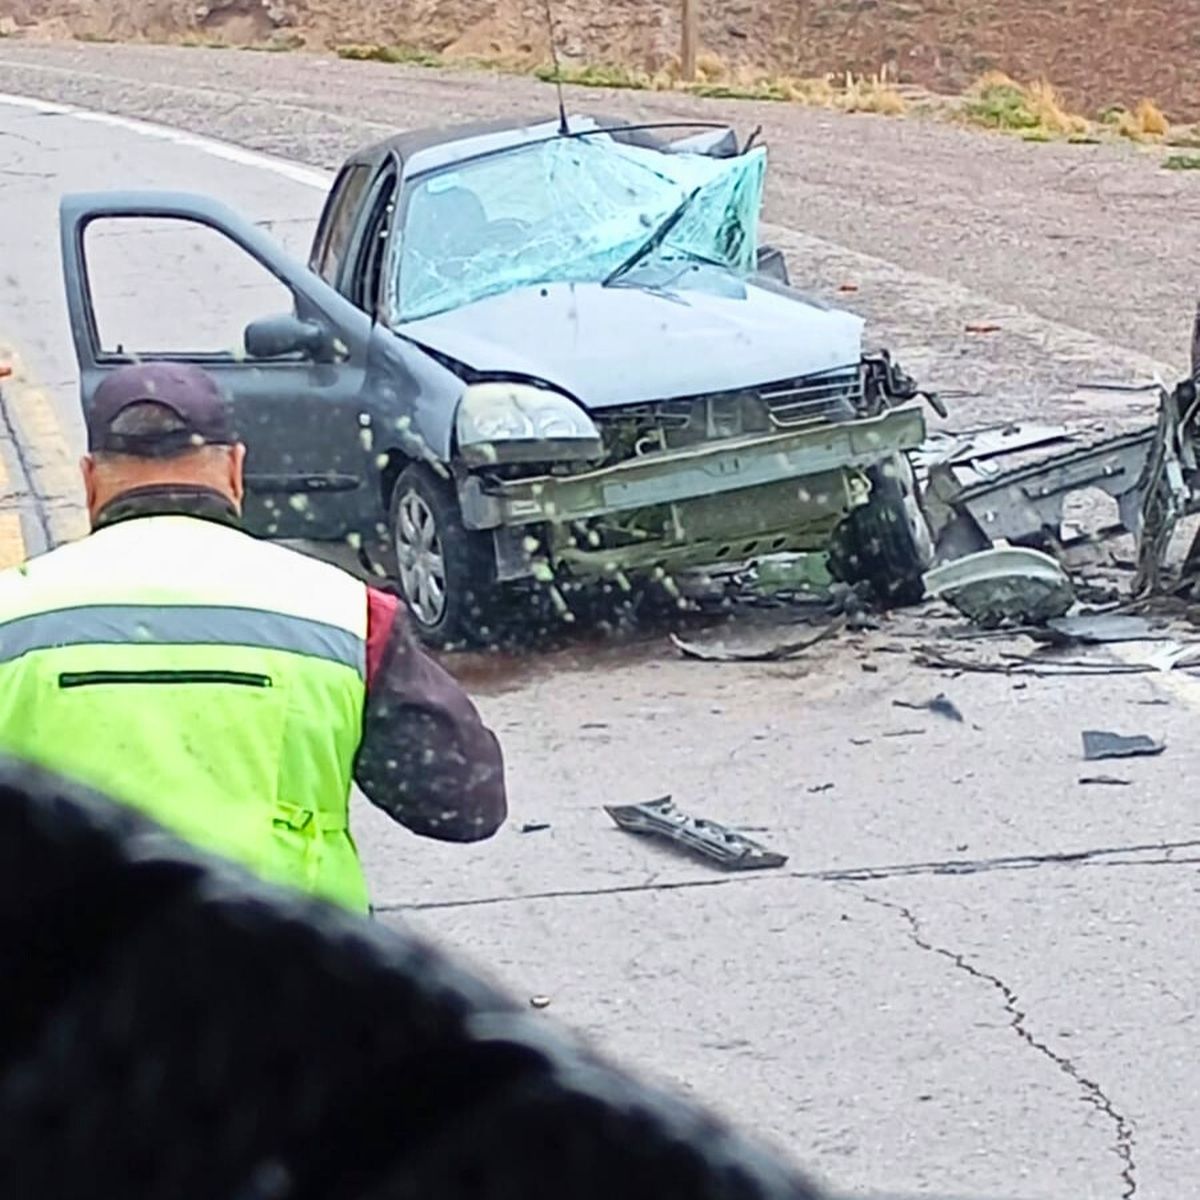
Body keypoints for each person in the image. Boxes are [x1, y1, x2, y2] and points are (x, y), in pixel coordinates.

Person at [0, 362, 506, 913]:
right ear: (236, 471)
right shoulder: (346, 614)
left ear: (89, 479)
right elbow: (466, 802)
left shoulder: (12, 612)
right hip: (284, 955)